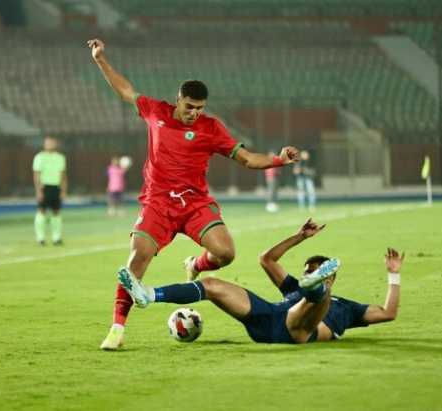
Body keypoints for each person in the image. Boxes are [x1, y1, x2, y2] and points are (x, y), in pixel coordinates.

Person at [88, 38, 300, 350]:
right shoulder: (155, 111)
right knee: (137, 259)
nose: (194, 114)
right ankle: (117, 329)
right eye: (190, 107)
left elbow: (247, 159)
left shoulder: (212, 128)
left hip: (194, 204)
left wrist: (280, 158)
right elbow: (125, 90)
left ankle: (197, 265)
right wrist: (100, 59)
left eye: (200, 109)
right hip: (157, 203)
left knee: (226, 254)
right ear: (179, 100)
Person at [119, 219, 404, 344]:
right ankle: (148, 295)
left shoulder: (350, 309)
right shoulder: (292, 287)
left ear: (332, 275)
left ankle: (317, 291)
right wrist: (299, 237)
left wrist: (394, 273)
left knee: (313, 303)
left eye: (314, 271)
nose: (305, 273)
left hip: (298, 332)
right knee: (213, 285)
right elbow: (266, 259)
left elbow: (388, 313)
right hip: (268, 320)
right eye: (307, 271)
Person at [32, 136, 68, 246]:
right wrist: (38, 190)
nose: (50, 145)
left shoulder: (60, 158)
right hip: (44, 187)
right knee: (41, 211)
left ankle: (56, 238)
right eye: (47, 143)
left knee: (56, 212)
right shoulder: (39, 157)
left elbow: (63, 175)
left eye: (52, 143)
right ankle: (40, 238)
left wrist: (63, 190)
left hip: (56, 187)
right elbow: (36, 174)